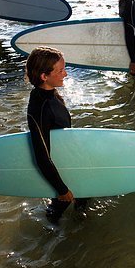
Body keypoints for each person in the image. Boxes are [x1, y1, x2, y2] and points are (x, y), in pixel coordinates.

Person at [25, 46, 88, 224]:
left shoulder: (48, 94)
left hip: (68, 160)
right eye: (60, 71)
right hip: (60, 168)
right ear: (44, 76)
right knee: (58, 208)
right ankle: (50, 238)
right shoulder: (40, 108)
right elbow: (42, 156)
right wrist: (61, 190)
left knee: (84, 197)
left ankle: (80, 229)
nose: (65, 74)